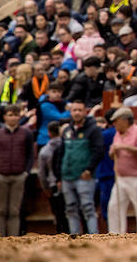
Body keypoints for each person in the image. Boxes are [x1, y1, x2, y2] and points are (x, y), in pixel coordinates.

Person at [54, 98, 104, 234]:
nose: (77, 113)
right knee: (70, 208)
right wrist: (59, 177)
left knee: (88, 207)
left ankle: (94, 236)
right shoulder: (67, 131)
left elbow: (99, 150)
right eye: (74, 110)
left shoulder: (93, 130)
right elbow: (61, 154)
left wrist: (89, 169)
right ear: (70, 112)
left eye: (80, 110)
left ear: (85, 112)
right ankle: (74, 237)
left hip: (84, 175)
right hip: (67, 176)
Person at [107, 106, 137, 235]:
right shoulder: (117, 134)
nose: (114, 124)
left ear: (125, 120)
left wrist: (123, 147)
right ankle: (115, 234)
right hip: (121, 177)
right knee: (114, 207)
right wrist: (113, 151)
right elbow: (113, 155)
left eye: (116, 121)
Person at [0, 103, 35, 236]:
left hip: (19, 175)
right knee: (0, 210)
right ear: (4, 117)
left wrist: (26, 172)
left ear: (20, 117)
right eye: (10, 115)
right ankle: (0, 238)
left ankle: (14, 238)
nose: (13, 118)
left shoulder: (26, 134)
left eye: (16, 115)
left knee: (14, 210)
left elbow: (30, 154)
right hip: (1, 175)